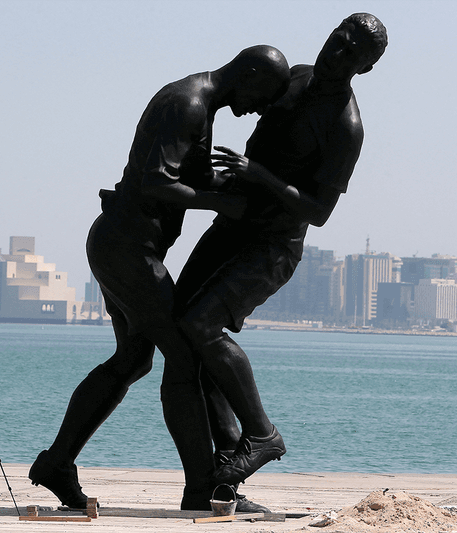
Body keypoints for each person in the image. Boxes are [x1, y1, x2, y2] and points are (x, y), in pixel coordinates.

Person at [29, 45, 291, 511]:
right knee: (185, 354)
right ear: (247, 73)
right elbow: (154, 181)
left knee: (133, 359)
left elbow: (178, 175)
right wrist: (222, 203)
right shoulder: (188, 103)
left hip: (122, 247)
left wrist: (239, 183)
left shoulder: (200, 106)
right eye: (264, 95)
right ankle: (202, 488)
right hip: (128, 252)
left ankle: (57, 463)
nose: (260, 108)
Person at [175, 12, 388, 485]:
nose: (338, 52)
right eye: (339, 39)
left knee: (201, 324)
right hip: (231, 225)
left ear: (364, 69)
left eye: (353, 53)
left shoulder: (345, 127)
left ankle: (262, 434)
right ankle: (229, 459)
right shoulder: (295, 77)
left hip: (272, 246)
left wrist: (259, 175)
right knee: (182, 330)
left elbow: (318, 210)